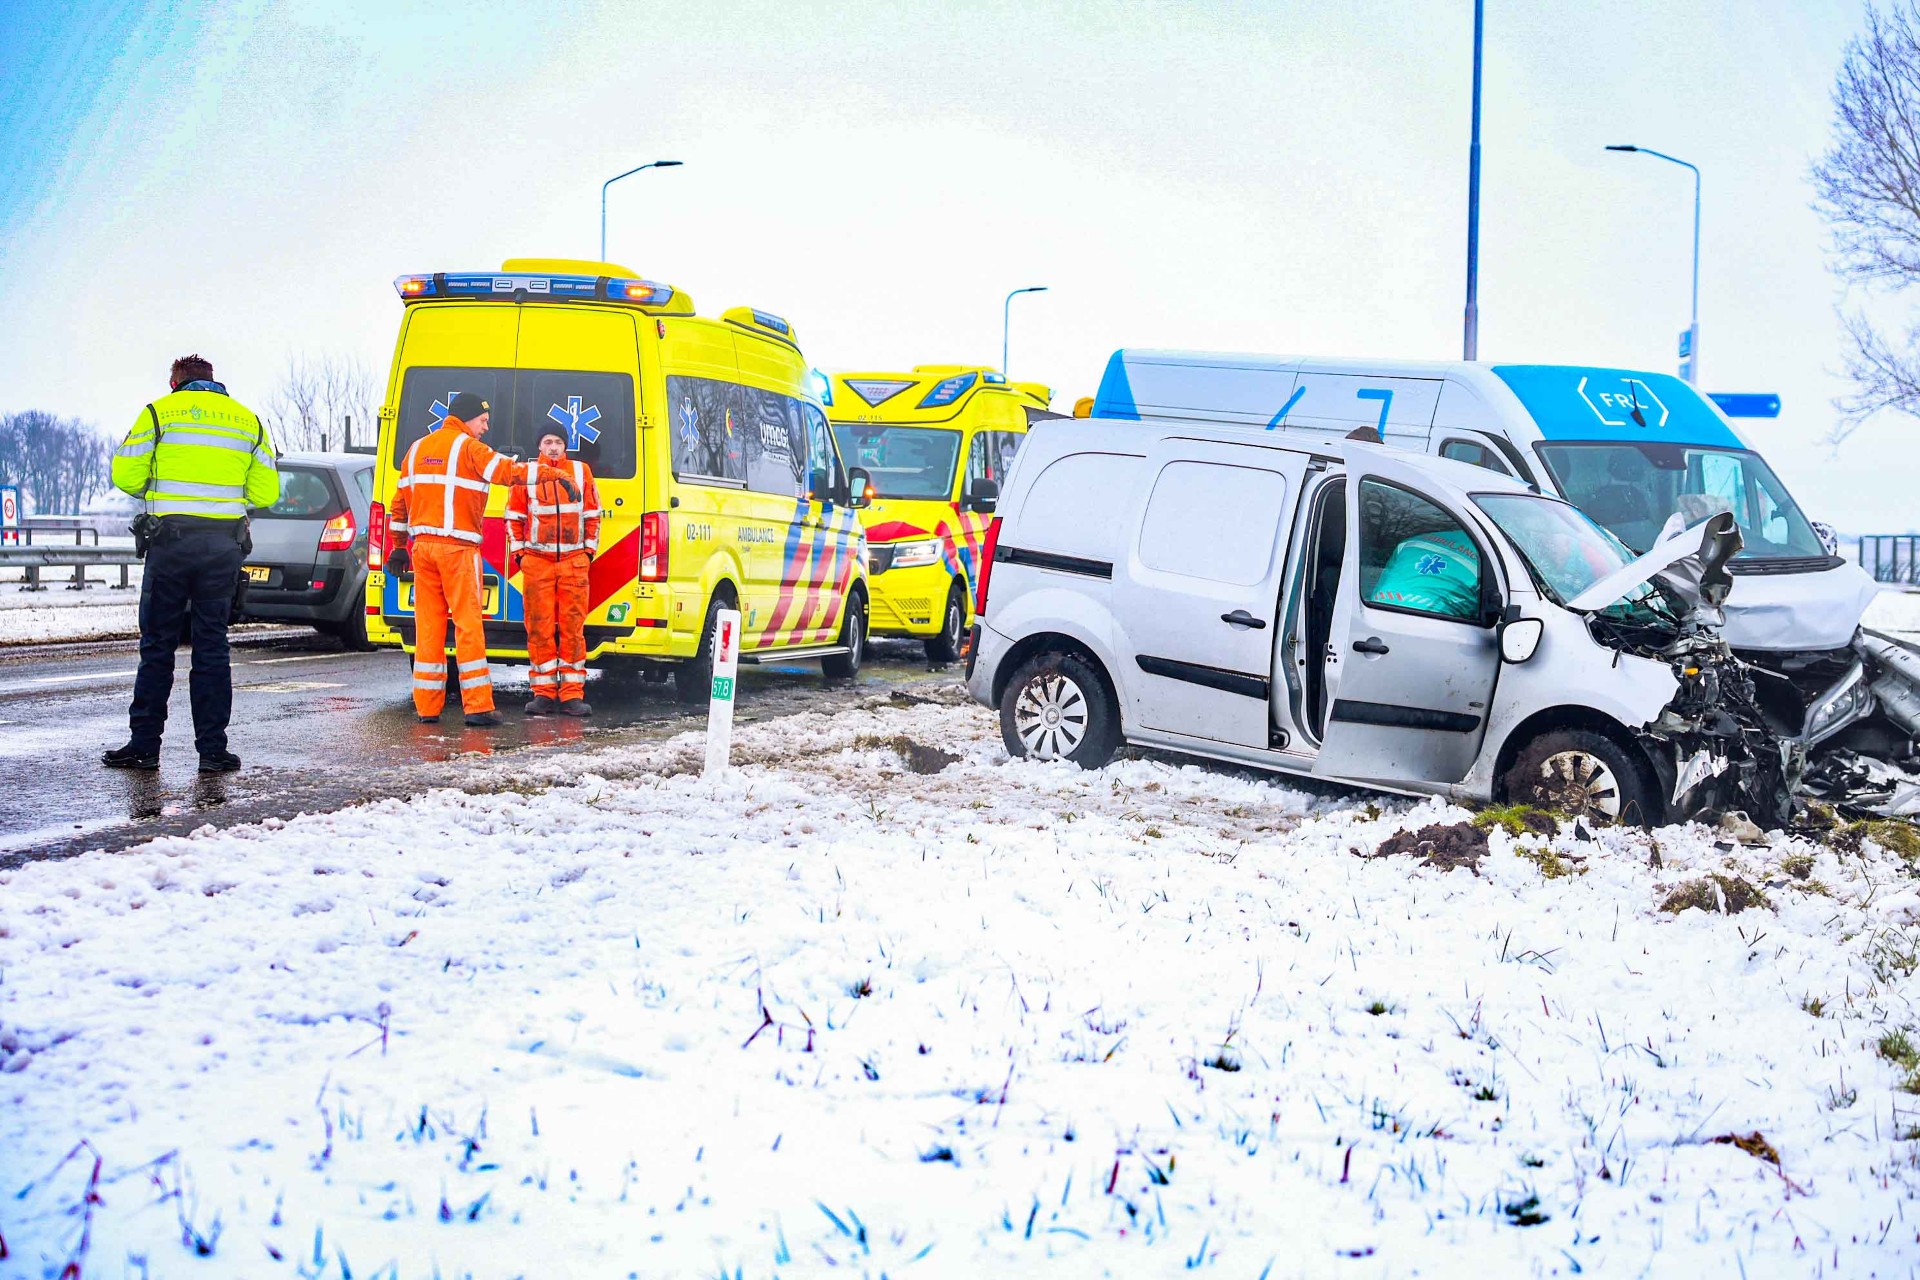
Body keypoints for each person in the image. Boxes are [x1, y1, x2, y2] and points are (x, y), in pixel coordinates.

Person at [103, 354, 279, 772]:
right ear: (214, 382)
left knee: (158, 645)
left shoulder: (158, 413)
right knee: (212, 646)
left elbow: (125, 476)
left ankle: (144, 747)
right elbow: (266, 492)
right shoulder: (247, 420)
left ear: (175, 383)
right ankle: (213, 753)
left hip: (171, 544)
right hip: (222, 547)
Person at [387, 392, 572, 726]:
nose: (486, 427)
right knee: (467, 625)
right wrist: (552, 474)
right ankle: (478, 706)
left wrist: (398, 545)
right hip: (457, 549)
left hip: (422, 551)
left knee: (428, 627)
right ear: (468, 417)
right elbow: (507, 472)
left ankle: (427, 707)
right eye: (483, 420)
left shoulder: (416, 450)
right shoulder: (468, 448)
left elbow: (399, 503)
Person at [506, 427, 600, 716]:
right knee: (539, 628)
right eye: (548, 442)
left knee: (573, 629)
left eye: (558, 442)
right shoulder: (527, 473)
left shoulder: (582, 472)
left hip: (574, 562)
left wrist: (587, 552)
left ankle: (572, 694)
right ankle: (543, 693)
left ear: (565, 446)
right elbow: (513, 517)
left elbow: (593, 513)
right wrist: (521, 555)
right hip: (537, 562)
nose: (553, 447)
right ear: (539, 446)